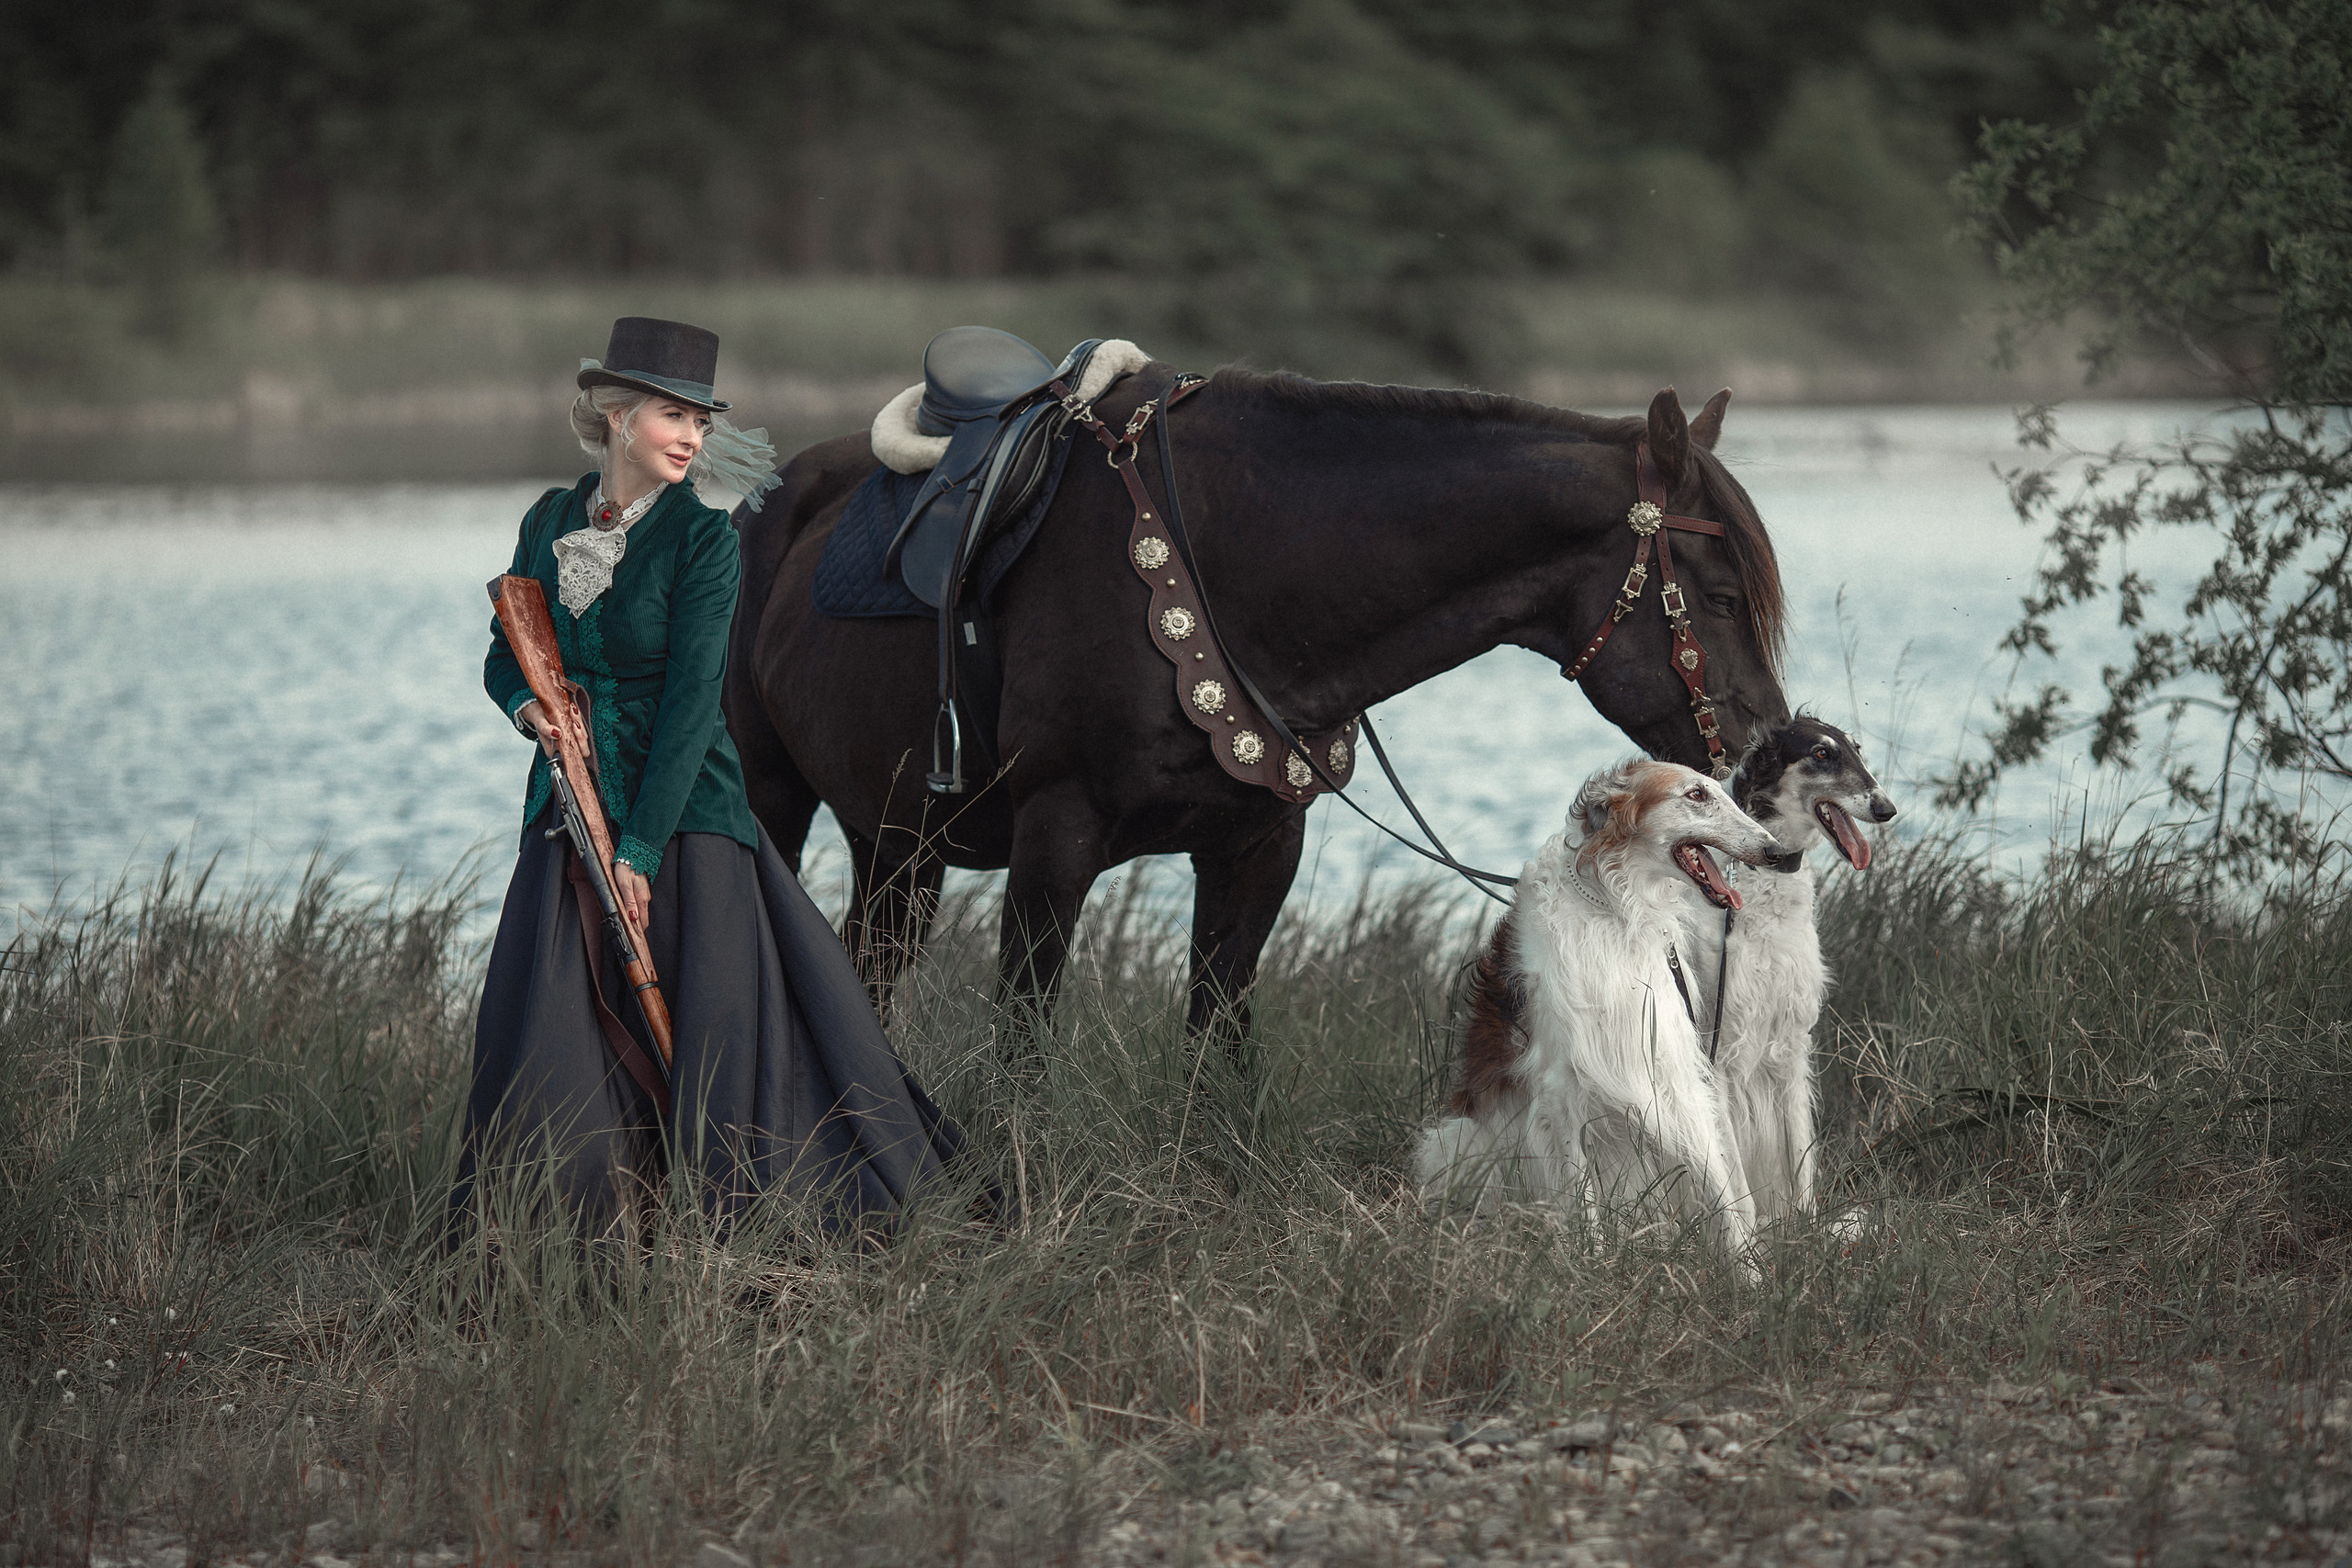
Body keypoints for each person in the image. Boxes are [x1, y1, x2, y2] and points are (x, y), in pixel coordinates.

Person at [457, 316, 975, 1235]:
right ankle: (561, 1230)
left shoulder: (702, 539)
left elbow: (698, 705)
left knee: (721, 1038)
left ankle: (740, 1223)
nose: (693, 438)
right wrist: (524, 708)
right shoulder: (547, 520)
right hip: (565, 811)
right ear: (614, 417)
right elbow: (508, 649)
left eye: (702, 421)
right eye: (672, 416)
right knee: (548, 1036)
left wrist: (642, 850)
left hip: (684, 820)